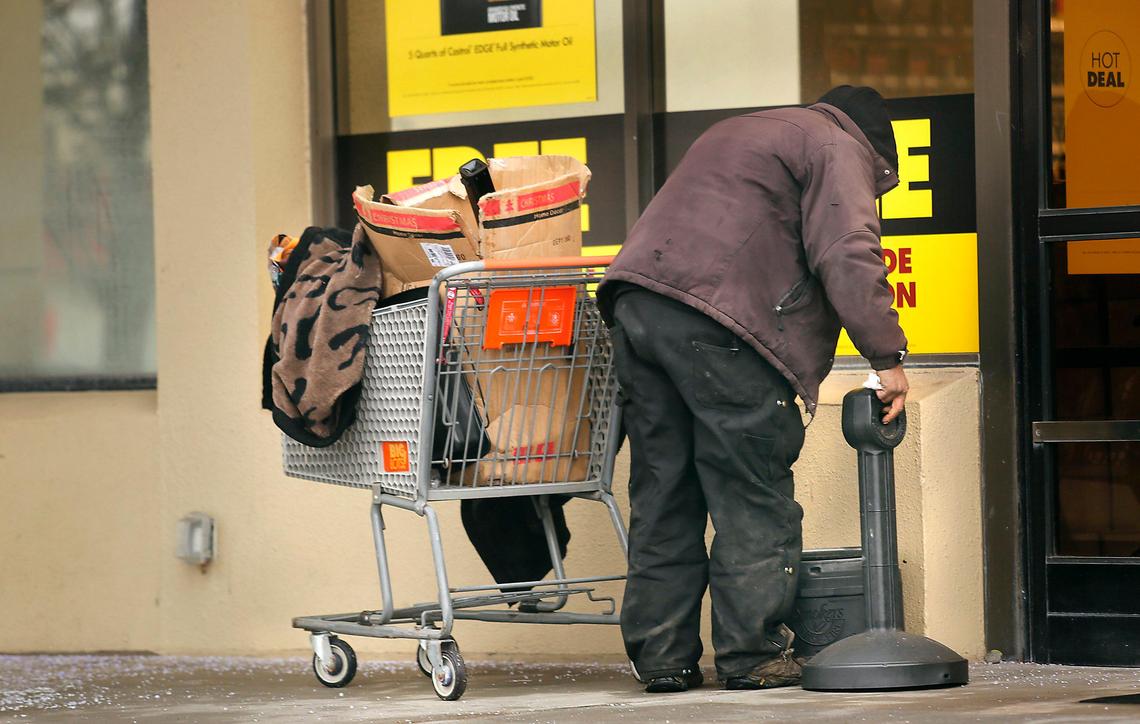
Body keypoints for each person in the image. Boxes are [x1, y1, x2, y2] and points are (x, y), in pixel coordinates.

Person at [596, 86, 909, 693]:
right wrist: (886, 355)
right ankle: (752, 656)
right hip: (724, 324)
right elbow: (847, 251)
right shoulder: (837, 145)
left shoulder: (745, 129)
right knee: (751, 490)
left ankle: (662, 657)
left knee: (664, 489)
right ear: (874, 147)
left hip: (637, 307)